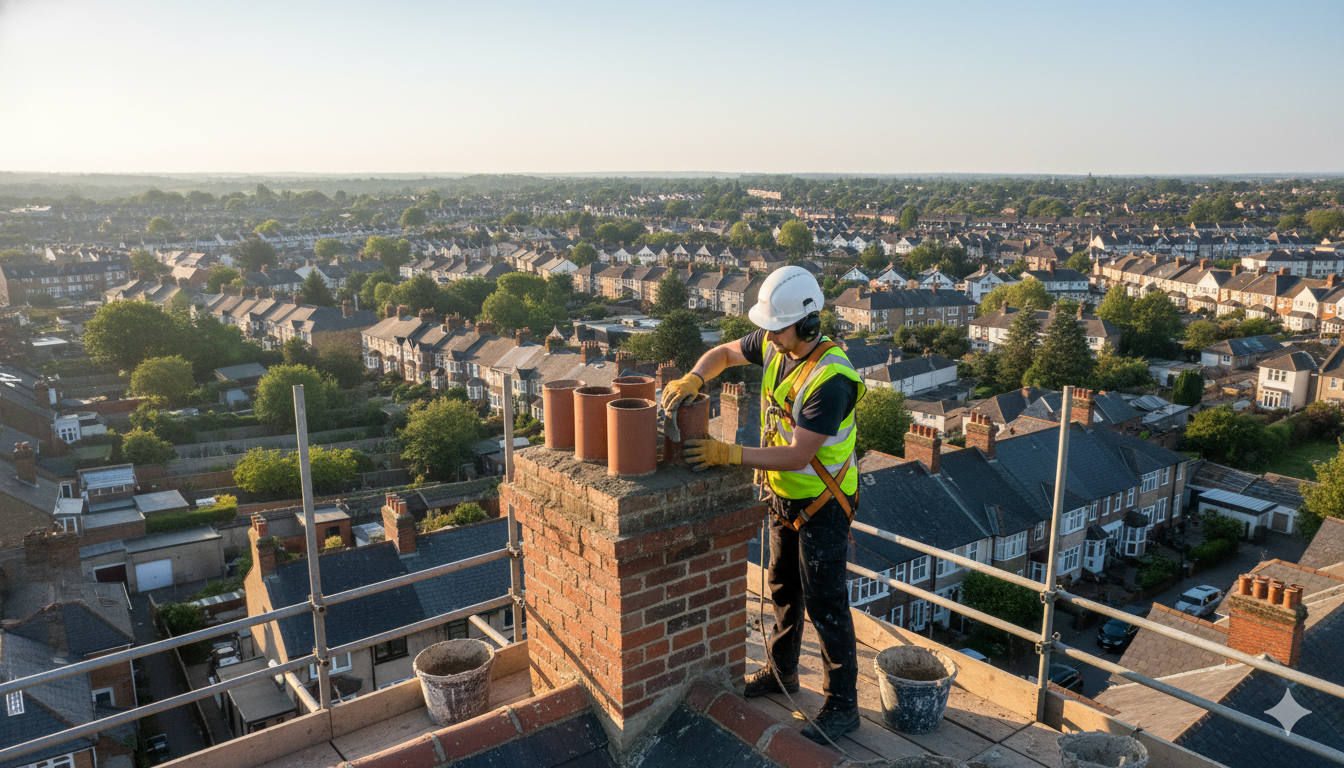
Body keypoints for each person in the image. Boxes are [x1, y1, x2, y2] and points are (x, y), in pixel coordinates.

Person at [662, 265, 865, 745]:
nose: (768, 338)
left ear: (809, 325)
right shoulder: (779, 341)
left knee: (825, 601)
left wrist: (726, 453)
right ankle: (782, 672)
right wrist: (695, 376)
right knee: (781, 586)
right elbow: (725, 353)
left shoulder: (831, 379)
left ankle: (843, 706)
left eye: (778, 330)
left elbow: (799, 454)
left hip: (823, 502)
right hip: (785, 496)